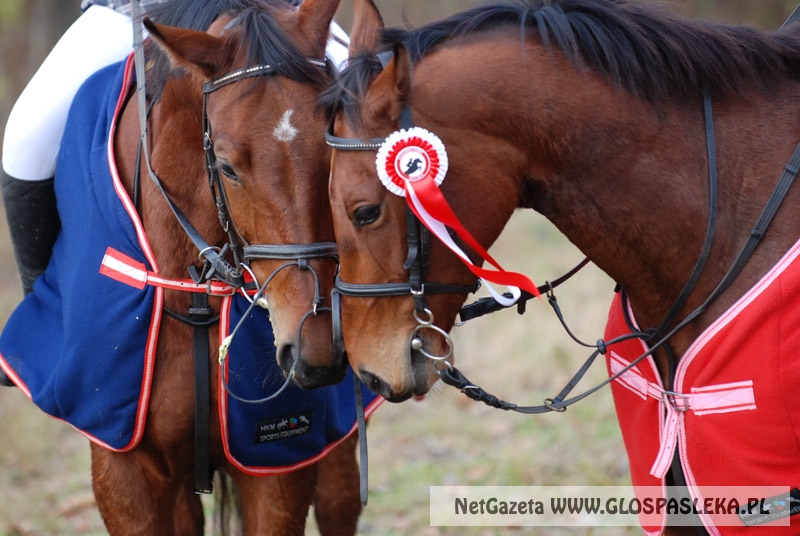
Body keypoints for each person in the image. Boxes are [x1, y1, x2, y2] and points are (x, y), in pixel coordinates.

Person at [0, 0, 349, 385]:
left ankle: (381, 315)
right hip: (141, 10)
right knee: (27, 138)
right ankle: (48, 320)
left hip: (277, 11)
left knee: (372, 119)